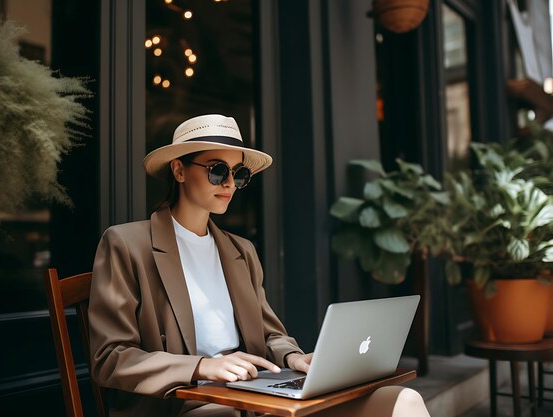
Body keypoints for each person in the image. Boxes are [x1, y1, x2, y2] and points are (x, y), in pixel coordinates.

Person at [88, 114, 431, 417]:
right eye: (217, 170)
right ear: (179, 169)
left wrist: (294, 359)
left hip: (259, 399)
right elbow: (111, 358)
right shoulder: (127, 245)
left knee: (403, 401)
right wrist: (202, 366)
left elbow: (271, 334)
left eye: (238, 174)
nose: (228, 184)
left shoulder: (241, 251)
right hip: (190, 406)